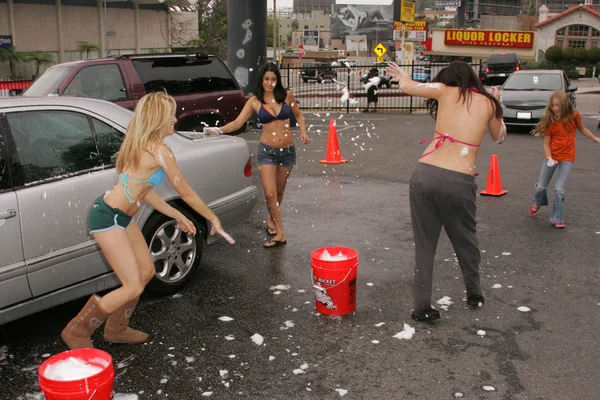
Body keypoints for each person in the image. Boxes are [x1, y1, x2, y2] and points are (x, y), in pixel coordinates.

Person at [61, 91, 232, 350]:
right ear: (157, 119)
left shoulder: (144, 146)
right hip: (108, 217)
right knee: (132, 286)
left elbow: (146, 191)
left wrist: (177, 214)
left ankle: (116, 328)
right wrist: (212, 218)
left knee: (146, 272)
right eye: (170, 115)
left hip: (121, 217)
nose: (175, 119)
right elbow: (184, 191)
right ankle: (78, 330)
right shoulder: (159, 151)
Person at [386, 61, 506, 322]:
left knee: (425, 245)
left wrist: (403, 76)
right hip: (458, 179)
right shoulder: (488, 102)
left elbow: (409, 86)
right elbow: (499, 137)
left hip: (425, 173)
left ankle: (422, 307)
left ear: (449, 78)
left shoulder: (442, 89)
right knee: (466, 240)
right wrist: (498, 105)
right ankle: (474, 293)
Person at [206, 63, 310, 248]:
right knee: (270, 193)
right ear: (261, 80)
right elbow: (238, 123)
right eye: (266, 79)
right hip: (267, 151)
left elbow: (299, 115)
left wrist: (303, 131)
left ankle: (272, 219)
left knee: (279, 192)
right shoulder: (254, 101)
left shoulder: (286, 95)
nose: (270, 83)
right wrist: (219, 130)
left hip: (287, 151)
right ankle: (280, 233)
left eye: (273, 79)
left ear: (277, 80)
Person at [528, 90, 600, 228]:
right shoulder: (550, 120)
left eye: (558, 105)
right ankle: (537, 202)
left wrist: (595, 138)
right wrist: (549, 157)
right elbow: (546, 142)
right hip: (552, 157)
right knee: (541, 186)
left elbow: (582, 129)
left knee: (559, 189)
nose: (555, 108)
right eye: (553, 105)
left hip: (567, 158)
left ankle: (557, 218)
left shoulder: (574, 116)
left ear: (565, 105)